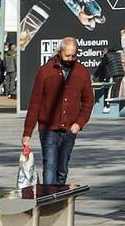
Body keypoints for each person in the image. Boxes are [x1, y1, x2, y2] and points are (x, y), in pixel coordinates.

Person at [22, 37, 94, 193]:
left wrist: (79, 124)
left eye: (74, 56)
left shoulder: (82, 72)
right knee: (50, 165)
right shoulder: (45, 71)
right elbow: (35, 102)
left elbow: (88, 102)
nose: (70, 59)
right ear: (60, 52)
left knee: (62, 168)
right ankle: (48, 199)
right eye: (67, 55)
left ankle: (59, 193)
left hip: (70, 128)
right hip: (48, 127)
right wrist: (27, 132)